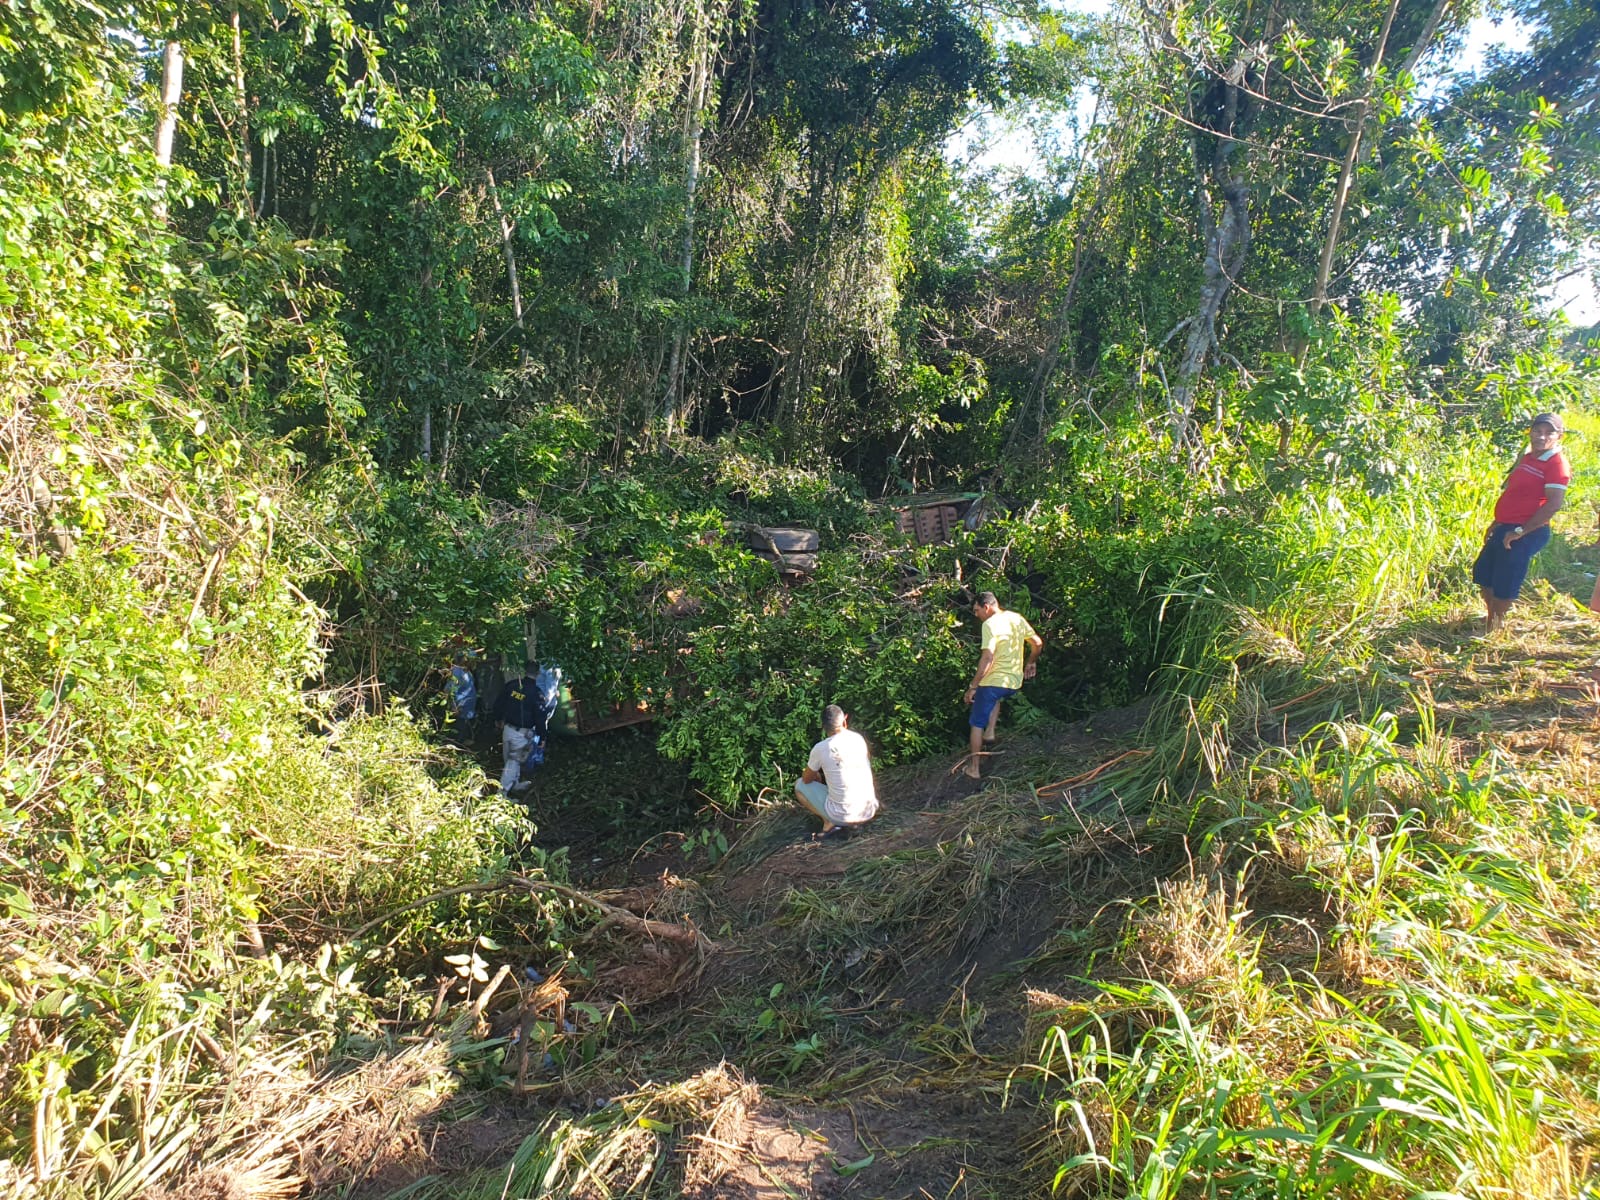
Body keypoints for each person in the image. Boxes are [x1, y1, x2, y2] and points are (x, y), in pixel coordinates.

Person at [1472, 413, 1570, 635]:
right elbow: (1515, 493)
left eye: (1549, 433)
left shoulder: (1557, 464)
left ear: (1559, 436)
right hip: (1506, 525)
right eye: (1538, 431)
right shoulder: (1528, 457)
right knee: (1483, 572)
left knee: (1505, 578)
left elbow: (1554, 504)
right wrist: (1497, 521)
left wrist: (1521, 531)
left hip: (1527, 530)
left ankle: (1495, 625)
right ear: (1530, 432)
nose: (1542, 437)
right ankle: (1492, 617)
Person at [962, 592, 1043, 779]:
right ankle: (990, 733)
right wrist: (1031, 662)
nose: (976, 615)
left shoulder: (989, 624)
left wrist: (973, 686)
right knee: (994, 697)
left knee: (976, 723)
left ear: (987, 607)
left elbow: (988, 657)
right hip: (1013, 682)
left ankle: (974, 769)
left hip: (994, 681)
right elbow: (1037, 643)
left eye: (977, 610)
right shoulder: (1016, 618)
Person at [795, 705, 879, 842]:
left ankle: (829, 822)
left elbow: (806, 780)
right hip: (868, 810)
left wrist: (817, 775)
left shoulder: (820, 748)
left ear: (823, 727)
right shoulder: (858, 738)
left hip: (842, 816)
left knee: (799, 785)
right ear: (845, 720)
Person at [494, 660, 559, 794]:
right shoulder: (536, 694)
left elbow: (499, 703)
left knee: (509, 760)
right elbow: (540, 719)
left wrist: (498, 719)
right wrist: (542, 738)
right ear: (538, 673)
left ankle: (515, 784)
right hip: (521, 735)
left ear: (525, 671)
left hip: (508, 729)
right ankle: (501, 794)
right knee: (513, 763)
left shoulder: (512, 685)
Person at [447, 652, 478, 731]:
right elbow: (449, 690)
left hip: (468, 710)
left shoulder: (467, 671)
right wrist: (454, 707)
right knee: (460, 732)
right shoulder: (457, 672)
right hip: (460, 711)